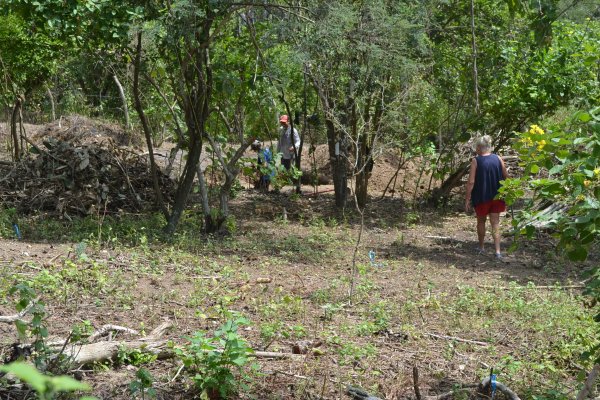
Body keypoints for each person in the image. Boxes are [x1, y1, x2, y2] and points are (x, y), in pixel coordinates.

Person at [465, 135, 508, 259]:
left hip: (481, 196)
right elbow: (506, 176)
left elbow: (471, 182)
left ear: (479, 147)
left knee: (481, 221)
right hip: (497, 196)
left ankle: (482, 246)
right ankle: (498, 251)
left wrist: (467, 198)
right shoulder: (498, 158)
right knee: (495, 223)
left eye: (476, 147)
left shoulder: (476, 161)